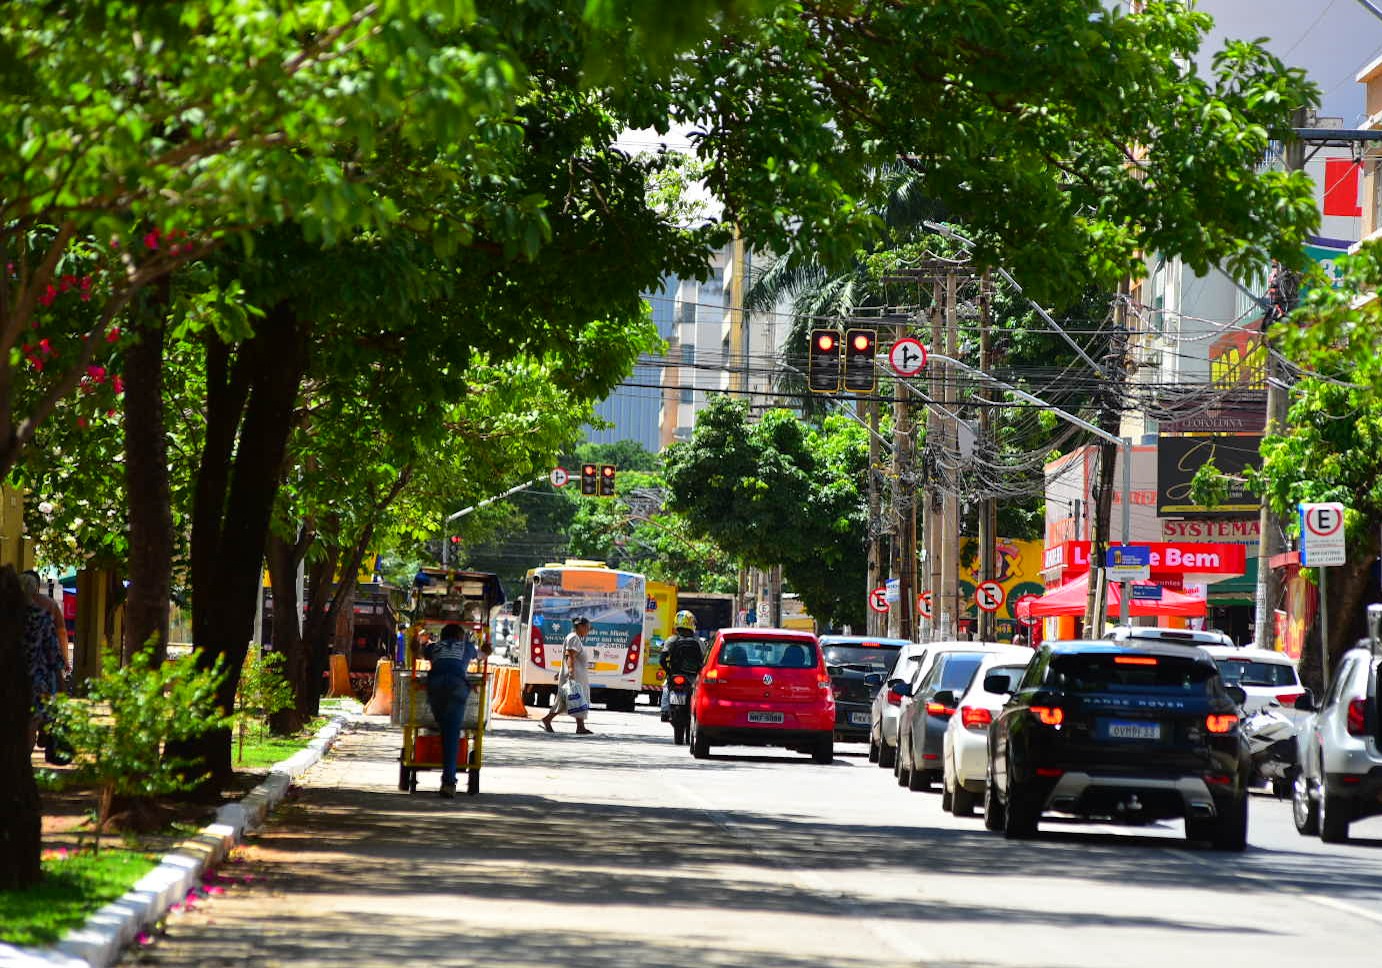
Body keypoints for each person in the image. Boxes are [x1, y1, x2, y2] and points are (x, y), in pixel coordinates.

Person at [423, 622, 491, 798]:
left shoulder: (434, 647)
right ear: (460, 637)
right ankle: (448, 782)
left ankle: (447, 773)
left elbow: (419, 652)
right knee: (451, 733)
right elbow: (483, 655)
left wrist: (418, 642)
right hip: (457, 685)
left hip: (435, 685)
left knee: (444, 726)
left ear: (443, 636)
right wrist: (486, 650)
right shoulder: (466, 646)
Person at [20, 572, 65, 752]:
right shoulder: (42, 616)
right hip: (35, 679)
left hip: (10, 677)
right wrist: (61, 674)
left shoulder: (8, 617)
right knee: (31, 720)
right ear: (35, 590)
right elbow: (52, 652)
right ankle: (26, 757)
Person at [541, 616, 593, 735]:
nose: (588, 631)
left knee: (575, 700)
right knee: (570, 700)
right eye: (587, 628)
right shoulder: (573, 638)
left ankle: (579, 726)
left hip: (576, 675)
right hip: (573, 675)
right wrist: (570, 672)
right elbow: (569, 655)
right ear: (580, 627)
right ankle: (548, 720)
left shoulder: (576, 638)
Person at [23, 570, 70, 676]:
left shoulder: (9, 606)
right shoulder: (50, 605)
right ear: (38, 587)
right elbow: (61, 633)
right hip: (43, 665)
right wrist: (65, 659)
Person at [660, 610, 704, 721]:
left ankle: (665, 711)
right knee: (699, 691)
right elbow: (704, 660)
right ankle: (698, 713)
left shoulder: (672, 640)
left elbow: (662, 660)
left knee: (666, 686)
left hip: (675, 675)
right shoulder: (699, 642)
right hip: (692, 677)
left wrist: (669, 672)